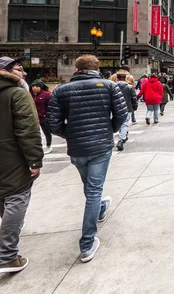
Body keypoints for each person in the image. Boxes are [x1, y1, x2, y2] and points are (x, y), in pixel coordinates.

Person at [46, 54, 127, 263]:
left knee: (90, 186)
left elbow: (52, 123)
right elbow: (121, 114)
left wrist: (69, 133)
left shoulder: (61, 90)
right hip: (100, 146)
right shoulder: (108, 85)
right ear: (96, 67)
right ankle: (87, 242)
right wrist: (110, 130)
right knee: (93, 190)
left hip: (77, 148)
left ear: (76, 68)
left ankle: (100, 209)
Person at [0, 57, 43, 273]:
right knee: (16, 198)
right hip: (12, 158)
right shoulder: (17, 94)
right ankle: (7, 256)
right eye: (19, 69)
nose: (24, 73)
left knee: (3, 199)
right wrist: (35, 160)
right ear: (5, 71)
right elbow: (28, 130)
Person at [115, 73, 138, 151]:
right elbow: (134, 98)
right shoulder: (129, 87)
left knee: (115, 124)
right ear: (125, 78)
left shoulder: (112, 86)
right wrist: (134, 106)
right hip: (127, 108)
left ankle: (115, 140)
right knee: (124, 124)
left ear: (117, 78)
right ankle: (121, 140)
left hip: (115, 108)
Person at [30, 79, 53, 154]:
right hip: (34, 118)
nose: (34, 88)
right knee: (35, 133)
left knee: (47, 132)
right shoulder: (30, 95)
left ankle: (49, 146)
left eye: (36, 86)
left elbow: (51, 106)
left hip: (45, 117)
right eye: (33, 86)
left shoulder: (46, 95)